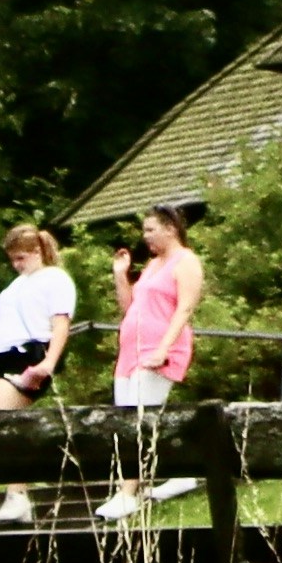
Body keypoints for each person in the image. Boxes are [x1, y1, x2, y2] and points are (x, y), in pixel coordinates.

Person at [100, 201, 206, 520]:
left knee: (139, 420)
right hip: (131, 352)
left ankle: (127, 493)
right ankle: (182, 472)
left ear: (170, 228)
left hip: (159, 351)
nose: (145, 236)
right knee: (127, 420)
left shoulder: (185, 261)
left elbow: (185, 307)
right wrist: (121, 275)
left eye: (150, 230)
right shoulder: (152, 265)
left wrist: (163, 347)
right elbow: (130, 306)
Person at [0, 221, 75, 524]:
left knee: (1, 420)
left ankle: (17, 497)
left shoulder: (54, 278)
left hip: (27, 355)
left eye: (22, 258)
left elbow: (60, 323)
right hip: (3, 356)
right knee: (3, 422)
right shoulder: (17, 286)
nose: (16, 265)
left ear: (37, 251)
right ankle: (16, 495)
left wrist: (49, 362)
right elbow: (8, 324)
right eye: (12, 259)